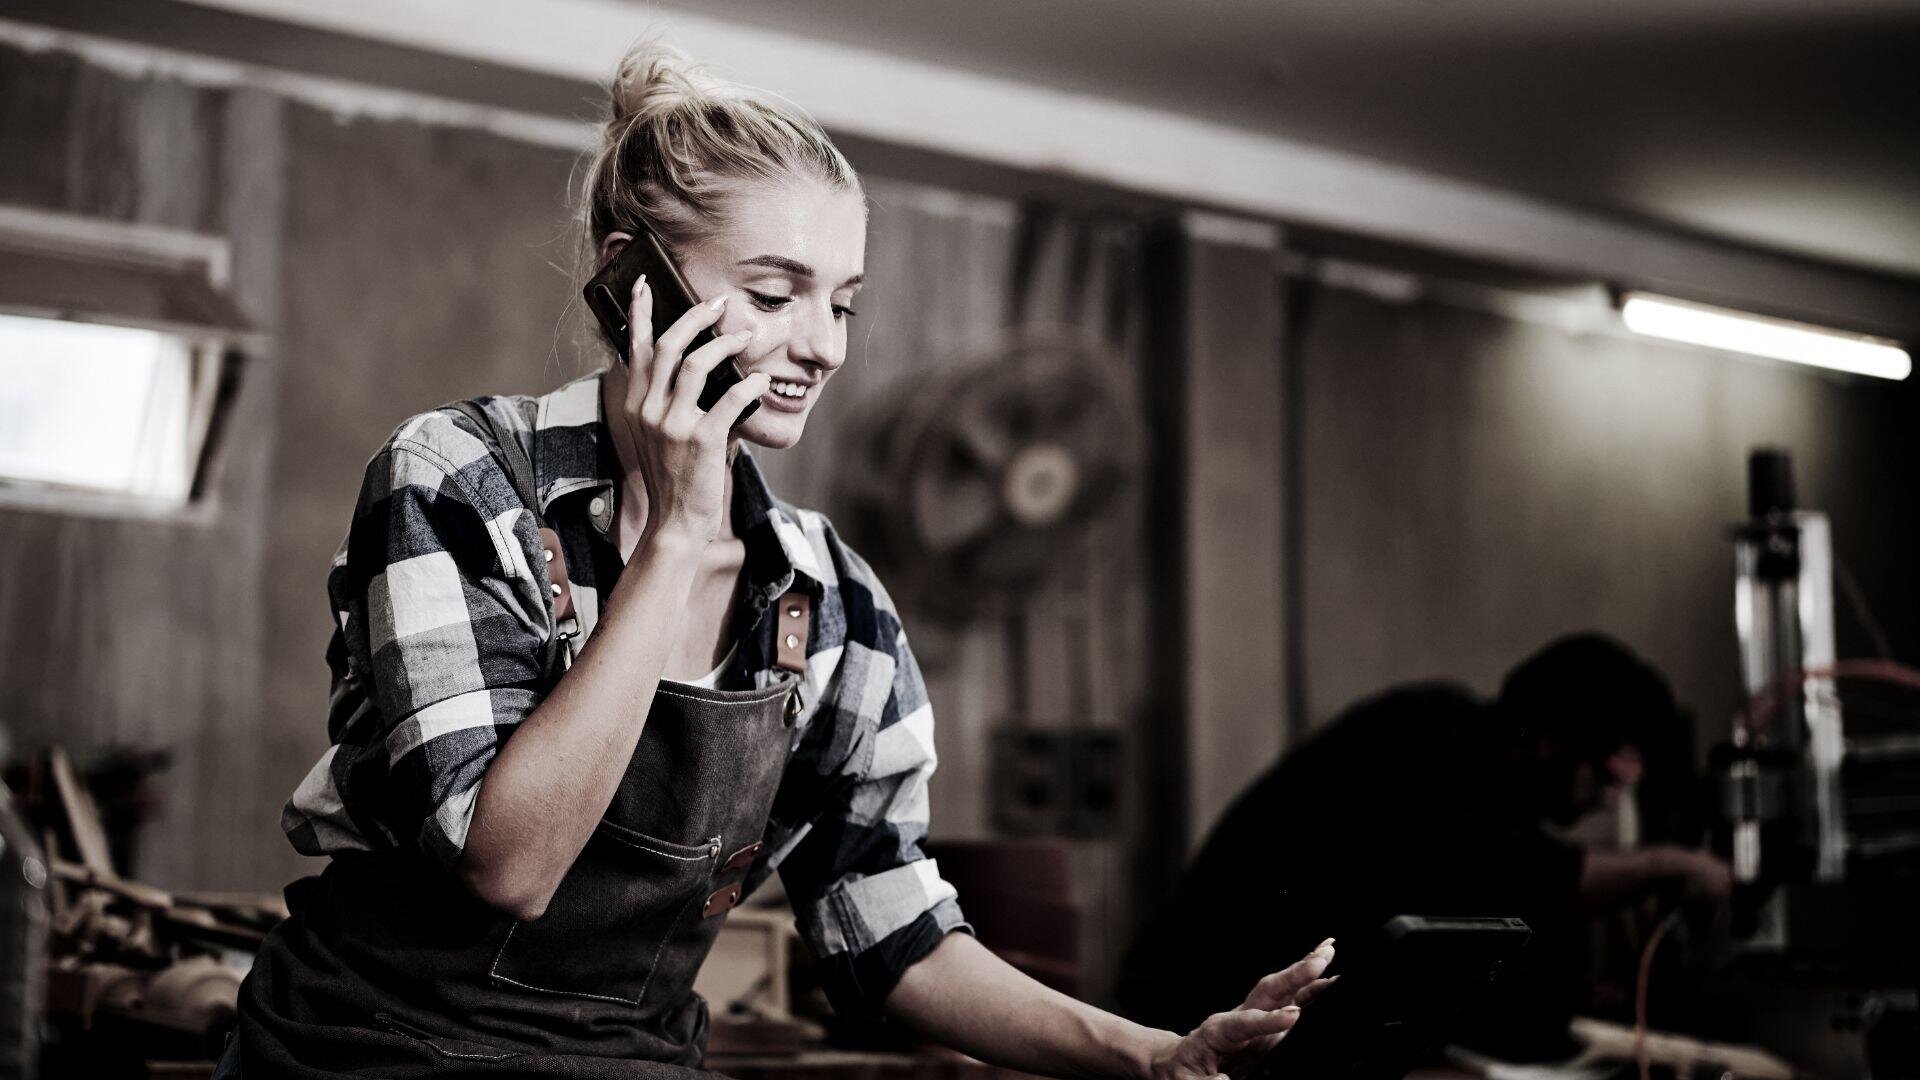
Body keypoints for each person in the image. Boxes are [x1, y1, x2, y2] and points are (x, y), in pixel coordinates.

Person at [220, 41, 1333, 1080]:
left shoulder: (831, 601)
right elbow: (506, 864)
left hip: (631, 1060)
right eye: (771, 293)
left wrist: (1149, 1054)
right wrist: (674, 543)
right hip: (368, 1050)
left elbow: (888, 925)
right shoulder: (458, 481)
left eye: (842, 303)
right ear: (633, 281)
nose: (824, 345)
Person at [1115, 633, 1734, 1061]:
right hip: (1192, 1020)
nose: (1604, 802)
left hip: (1234, 1022)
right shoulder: (1442, 743)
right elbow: (1534, 874)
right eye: (1603, 777)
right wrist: (1673, 868)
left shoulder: (1464, 758)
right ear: (1553, 738)